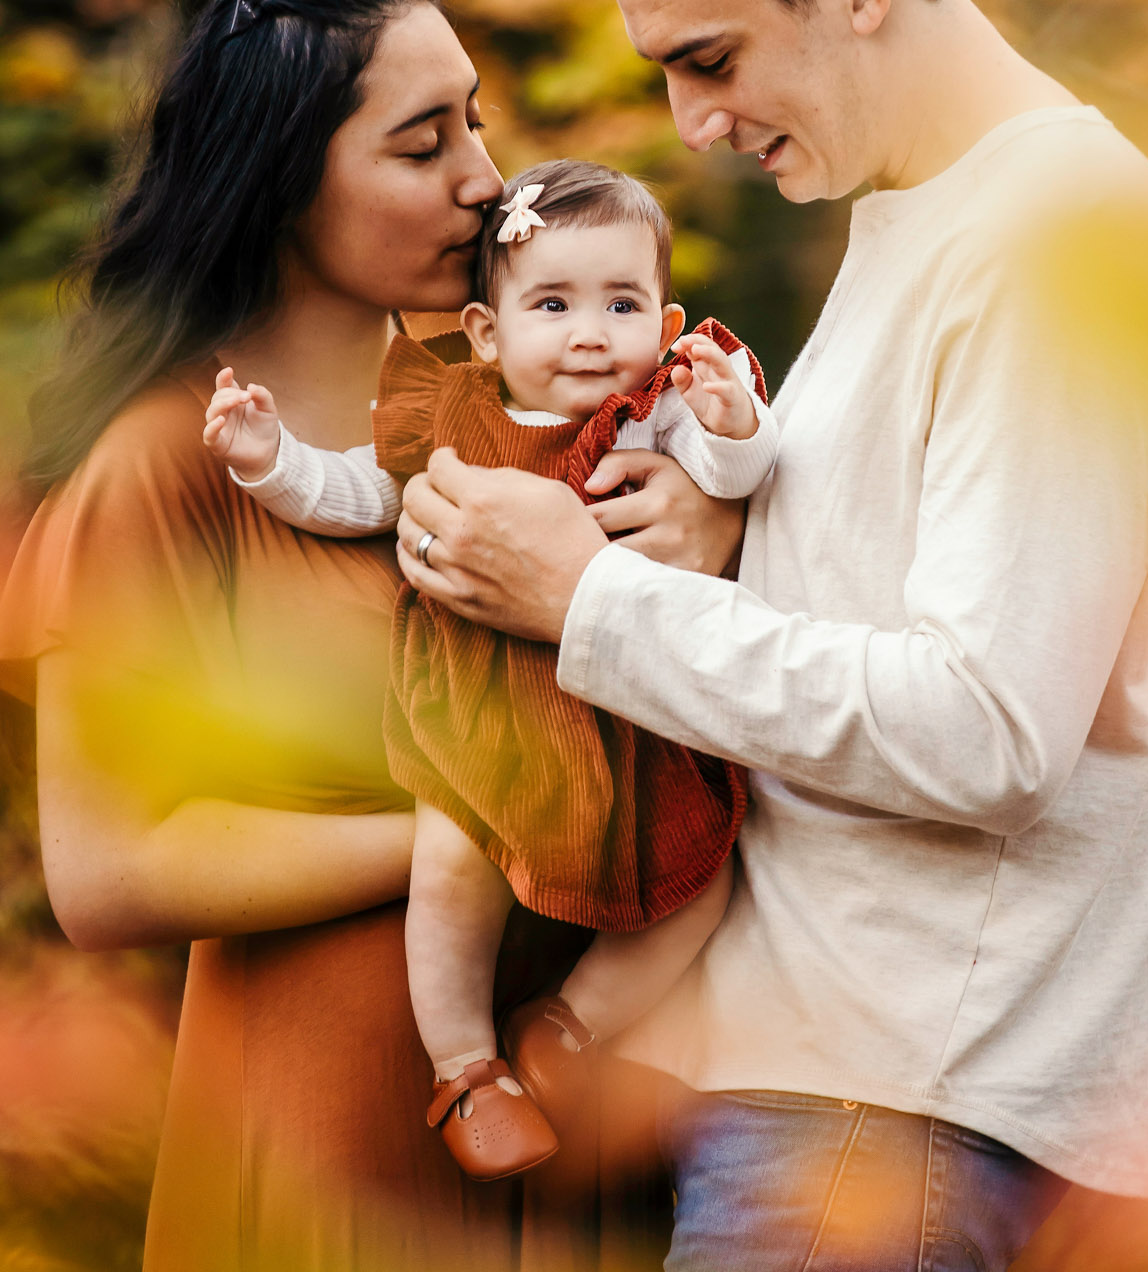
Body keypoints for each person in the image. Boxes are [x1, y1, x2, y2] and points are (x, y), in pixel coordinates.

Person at [395, 0, 1148, 1272]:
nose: (694, 127)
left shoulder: (1054, 236)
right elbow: (905, 626)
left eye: (711, 60)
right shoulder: (922, 223)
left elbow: (994, 725)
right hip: (855, 1101)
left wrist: (596, 600)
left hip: (868, 1119)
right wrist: (712, 532)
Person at [0, 0, 741, 1272]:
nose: (485, 179)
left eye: (476, 120)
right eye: (424, 142)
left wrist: (706, 518)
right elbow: (108, 870)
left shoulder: (544, 425)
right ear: (284, 178)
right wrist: (479, 827)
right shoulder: (165, 468)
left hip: (585, 1152)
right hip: (327, 1181)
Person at [202, 157, 776, 1178]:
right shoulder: (453, 419)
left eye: (621, 302)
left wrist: (732, 427)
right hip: (485, 720)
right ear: (486, 331)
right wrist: (267, 460)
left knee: (700, 877)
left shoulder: (664, 409)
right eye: (552, 303)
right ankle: (467, 1069)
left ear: (665, 316)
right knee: (452, 876)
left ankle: (569, 1029)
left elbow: (740, 472)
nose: (590, 331)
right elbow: (359, 496)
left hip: (637, 720)